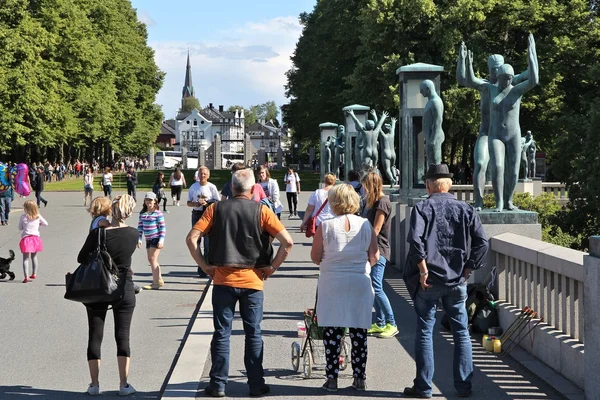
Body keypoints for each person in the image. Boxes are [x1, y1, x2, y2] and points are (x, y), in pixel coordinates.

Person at [185, 168, 293, 398]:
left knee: (221, 333)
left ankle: (218, 384)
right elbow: (288, 242)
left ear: (231, 188)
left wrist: (205, 266)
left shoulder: (215, 209)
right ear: (254, 189)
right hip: (253, 280)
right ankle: (255, 384)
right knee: (253, 333)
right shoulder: (262, 211)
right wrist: (272, 267)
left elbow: (192, 238)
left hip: (223, 278)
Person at [403, 164, 489, 399]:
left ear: (429, 185)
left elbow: (416, 242)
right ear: (449, 185)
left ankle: (424, 387)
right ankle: (463, 387)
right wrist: (469, 268)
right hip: (456, 279)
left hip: (429, 280)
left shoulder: (422, 208)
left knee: (424, 331)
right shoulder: (465, 209)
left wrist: (422, 271)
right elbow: (482, 242)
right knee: (461, 332)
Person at [310, 184, 378, 392]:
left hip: (333, 281)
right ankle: (359, 377)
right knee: (359, 331)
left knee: (332, 330)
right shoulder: (366, 225)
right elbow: (374, 256)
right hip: (359, 280)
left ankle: (332, 378)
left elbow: (315, 256)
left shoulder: (326, 226)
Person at [466, 34, 538, 212]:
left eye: (509, 78)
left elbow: (534, 79)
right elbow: (471, 80)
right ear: (497, 76)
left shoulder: (517, 90)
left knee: (514, 170)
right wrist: (467, 63)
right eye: (504, 77)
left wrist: (532, 54)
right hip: (495, 134)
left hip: (513, 134)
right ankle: (499, 202)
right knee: (498, 166)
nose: (507, 81)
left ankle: (509, 201)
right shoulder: (490, 88)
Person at [77, 194, 138, 396]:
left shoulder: (99, 233)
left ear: (111, 209)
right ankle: (124, 384)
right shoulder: (133, 234)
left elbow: (81, 257)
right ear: (129, 212)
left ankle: (94, 384)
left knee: (95, 334)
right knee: (123, 336)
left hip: (99, 287)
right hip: (124, 287)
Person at [360, 172, 398, 338]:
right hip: (374, 248)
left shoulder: (382, 202)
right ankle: (381, 322)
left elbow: (376, 229)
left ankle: (392, 322)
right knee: (372, 286)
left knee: (376, 286)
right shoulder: (377, 201)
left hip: (379, 249)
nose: (363, 191)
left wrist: (361, 243)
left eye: (365, 187)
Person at [187, 166, 220, 278]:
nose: (203, 176)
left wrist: (208, 202)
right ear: (198, 175)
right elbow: (188, 202)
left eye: (205, 174)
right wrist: (195, 204)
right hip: (197, 215)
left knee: (208, 243)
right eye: (201, 174)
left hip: (208, 215)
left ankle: (208, 266)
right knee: (196, 241)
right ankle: (201, 267)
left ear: (208, 175)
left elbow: (217, 202)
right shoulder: (193, 187)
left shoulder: (211, 187)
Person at [137, 192, 166, 290]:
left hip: (156, 238)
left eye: (151, 200)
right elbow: (140, 227)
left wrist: (161, 240)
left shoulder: (158, 213)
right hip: (148, 239)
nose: (149, 202)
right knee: (151, 259)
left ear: (155, 201)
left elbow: (162, 227)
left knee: (152, 259)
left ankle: (155, 282)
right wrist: (139, 239)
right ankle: (159, 279)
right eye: (147, 200)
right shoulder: (143, 214)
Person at [18, 200, 48, 283]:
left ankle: (26, 276)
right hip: (35, 238)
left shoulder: (23, 217)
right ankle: (34, 273)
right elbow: (46, 223)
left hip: (26, 239)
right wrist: (39, 224)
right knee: (34, 257)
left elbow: (20, 228)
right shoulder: (38, 216)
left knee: (25, 259)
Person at [420, 80, 445, 165]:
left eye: (422, 90)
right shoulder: (430, 102)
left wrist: (434, 139)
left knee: (435, 164)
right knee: (431, 164)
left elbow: (438, 120)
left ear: (427, 89)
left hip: (434, 137)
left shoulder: (436, 102)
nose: (420, 92)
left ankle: (436, 178)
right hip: (430, 137)